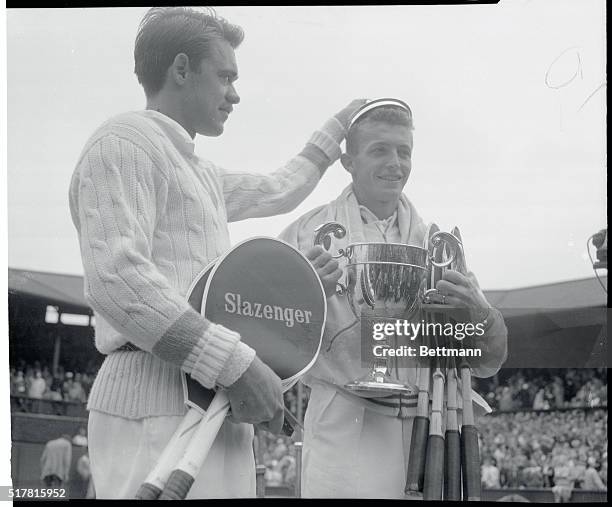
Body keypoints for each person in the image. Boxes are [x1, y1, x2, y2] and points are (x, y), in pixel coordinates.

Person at [68, 6, 364, 499]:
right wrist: (239, 366)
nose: (235, 93)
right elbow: (116, 280)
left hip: (218, 405)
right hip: (150, 405)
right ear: (181, 69)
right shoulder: (123, 141)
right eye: (226, 76)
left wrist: (334, 132)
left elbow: (277, 190)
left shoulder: (200, 170)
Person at [280, 98, 508, 498]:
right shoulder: (304, 234)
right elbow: (265, 335)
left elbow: (490, 361)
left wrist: (481, 314)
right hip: (342, 425)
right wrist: (299, 296)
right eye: (379, 150)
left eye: (404, 152)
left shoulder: (439, 243)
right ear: (348, 161)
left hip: (425, 430)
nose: (395, 163)